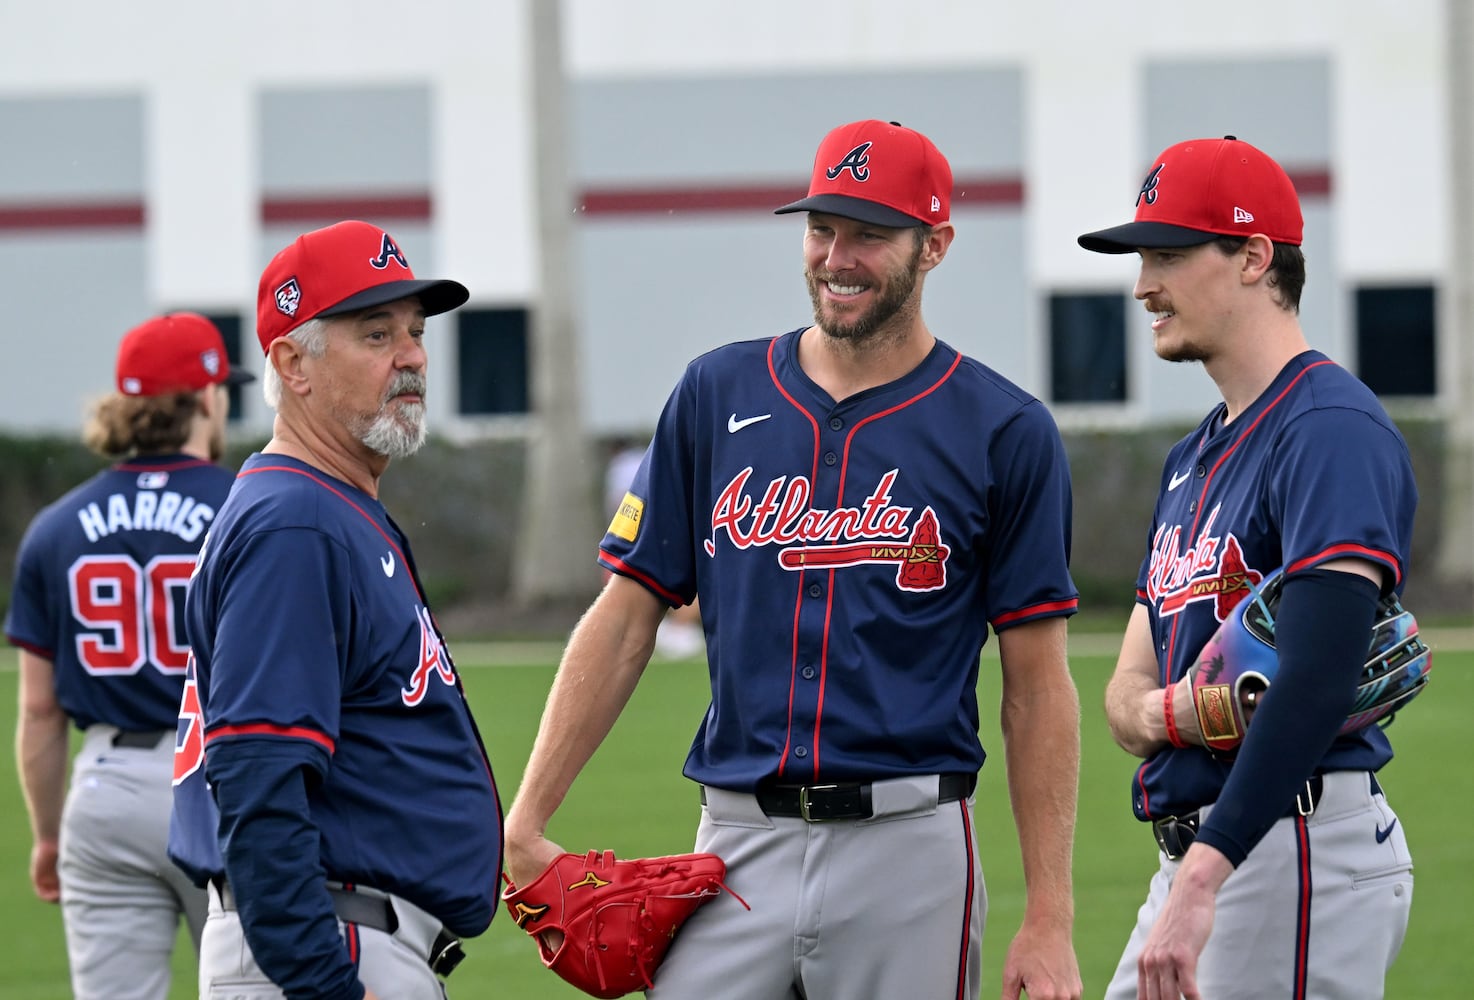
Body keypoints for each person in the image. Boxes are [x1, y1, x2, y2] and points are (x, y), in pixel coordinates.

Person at [506, 120, 1084, 1000]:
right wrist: (527, 818)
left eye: (869, 234)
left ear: (935, 246)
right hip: (736, 847)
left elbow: (1037, 686)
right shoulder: (715, 393)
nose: (837, 256)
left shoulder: (1003, 430)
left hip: (910, 847)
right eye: (821, 227)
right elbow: (626, 617)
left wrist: (1050, 918)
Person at [1079, 136, 1418, 999]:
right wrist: (1178, 714)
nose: (1142, 283)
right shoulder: (1192, 457)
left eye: (1168, 254)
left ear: (1254, 257)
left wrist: (1202, 878)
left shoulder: (1329, 429)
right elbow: (1125, 695)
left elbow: (1313, 679)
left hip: (1288, 851)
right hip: (1213, 856)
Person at [166, 220, 504, 1000]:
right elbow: (259, 779)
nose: (413, 354)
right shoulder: (296, 524)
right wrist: (323, 984)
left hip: (353, 934)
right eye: (376, 332)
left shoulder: (327, 508)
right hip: (326, 943)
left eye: (416, 332)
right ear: (294, 363)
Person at [5, 312, 253, 999]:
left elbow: (38, 711)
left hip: (106, 788)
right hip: (224, 784)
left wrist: (50, 836)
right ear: (207, 398)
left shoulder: (55, 526)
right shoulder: (250, 506)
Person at [603, 436, 704, 659]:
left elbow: (619, 501)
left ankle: (675, 630)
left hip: (647, 530)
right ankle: (672, 630)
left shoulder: (625, 464)